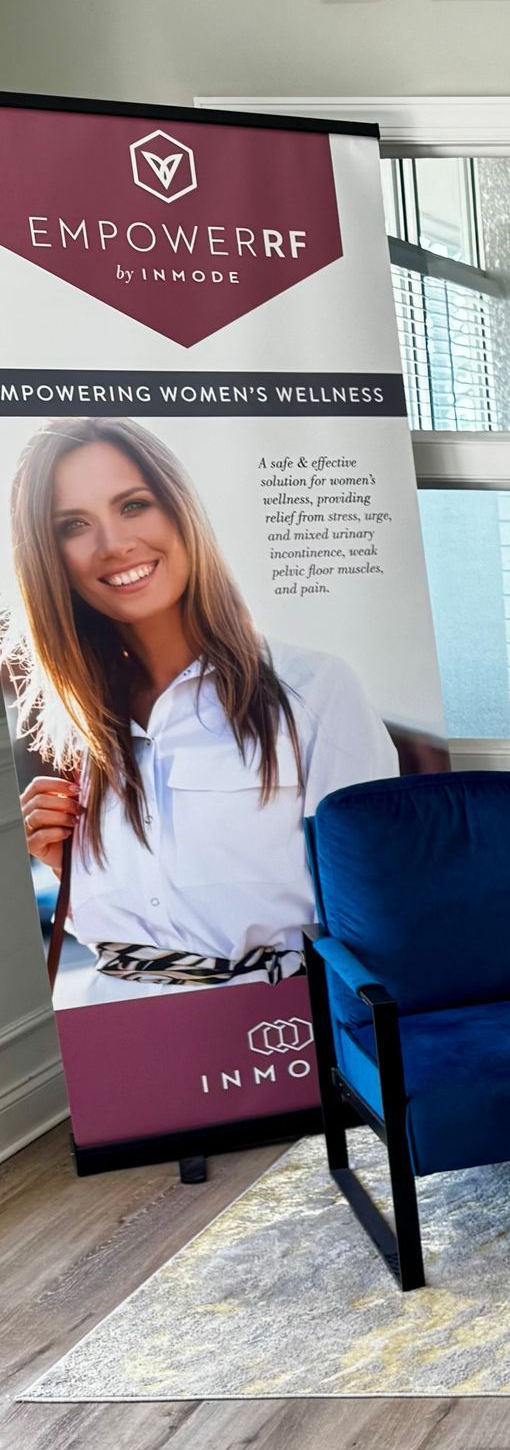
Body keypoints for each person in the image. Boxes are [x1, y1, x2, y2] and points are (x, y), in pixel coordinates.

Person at [5, 418, 397, 1008]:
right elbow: (125, 930)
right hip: (114, 1036)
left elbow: (374, 903)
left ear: (180, 509)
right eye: (74, 525)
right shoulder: (72, 726)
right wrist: (67, 867)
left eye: (134, 504)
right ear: (48, 556)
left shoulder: (313, 690)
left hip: (281, 1035)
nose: (114, 544)